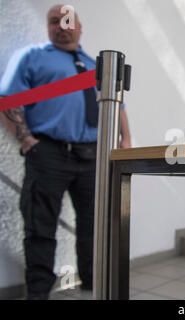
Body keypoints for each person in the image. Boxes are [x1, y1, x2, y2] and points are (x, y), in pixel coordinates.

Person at [0, 4, 131, 299]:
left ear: (79, 27)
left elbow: (119, 105)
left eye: (67, 20)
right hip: (48, 154)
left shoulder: (96, 64)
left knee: (94, 225)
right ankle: (38, 292)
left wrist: (126, 140)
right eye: (54, 21)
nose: (61, 26)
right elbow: (8, 99)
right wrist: (27, 142)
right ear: (48, 27)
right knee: (40, 226)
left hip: (93, 155)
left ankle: (91, 283)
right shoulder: (32, 57)